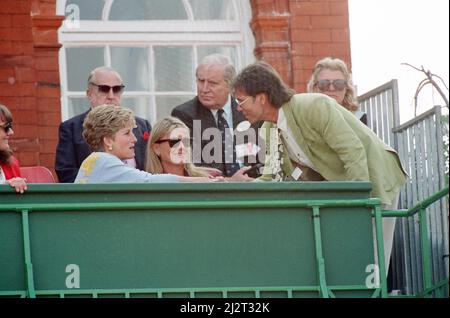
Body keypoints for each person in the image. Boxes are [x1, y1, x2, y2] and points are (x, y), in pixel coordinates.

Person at [233, 61, 407, 272]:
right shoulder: (269, 129)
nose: (237, 107)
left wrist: (358, 205)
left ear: (261, 98)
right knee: (349, 263)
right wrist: (237, 185)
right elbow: (270, 178)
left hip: (377, 178)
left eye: (240, 100)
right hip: (347, 189)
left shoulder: (313, 105)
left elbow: (353, 152)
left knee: (371, 263)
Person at [55, 66, 152, 183]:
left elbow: (153, 165)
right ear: (89, 94)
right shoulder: (71, 128)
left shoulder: (142, 125)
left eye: (116, 89)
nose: (111, 96)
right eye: (104, 89)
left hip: (141, 193)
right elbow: (66, 173)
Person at [171, 54, 262, 178]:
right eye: (201, 81)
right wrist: (230, 182)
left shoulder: (248, 110)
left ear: (230, 86)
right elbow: (192, 167)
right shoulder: (184, 115)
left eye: (212, 83)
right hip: (211, 191)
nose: (204, 89)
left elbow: (264, 158)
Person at [74, 105, 215, 184]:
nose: (135, 139)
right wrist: (201, 181)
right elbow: (148, 181)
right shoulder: (104, 161)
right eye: (127, 133)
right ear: (108, 140)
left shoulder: (98, 161)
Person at [146, 116, 253, 181]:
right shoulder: (146, 183)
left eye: (187, 141)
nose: (182, 147)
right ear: (156, 148)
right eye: (174, 142)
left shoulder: (213, 176)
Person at [307, 57, 367, 125]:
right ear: (315, 87)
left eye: (339, 83)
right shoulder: (305, 118)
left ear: (347, 87)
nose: (331, 89)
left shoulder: (358, 118)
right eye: (324, 84)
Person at [0, 104, 27, 193]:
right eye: (6, 128)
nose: (11, 132)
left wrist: (12, 188)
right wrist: (4, 186)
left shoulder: (11, 162)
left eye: (10, 127)